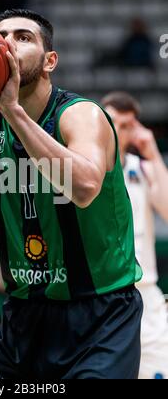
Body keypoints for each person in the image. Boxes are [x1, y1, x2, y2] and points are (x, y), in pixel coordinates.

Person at [0, 9, 143, 379]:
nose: (8, 43)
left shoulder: (81, 115)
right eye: (1, 35)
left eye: (23, 37)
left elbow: (83, 188)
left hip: (99, 315)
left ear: (50, 61)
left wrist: (14, 112)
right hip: (23, 316)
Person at [102, 92, 168, 379]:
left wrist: (151, 151)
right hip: (102, 297)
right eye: (111, 121)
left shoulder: (142, 168)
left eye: (125, 124)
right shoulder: (82, 168)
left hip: (146, 295)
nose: (115, 129)